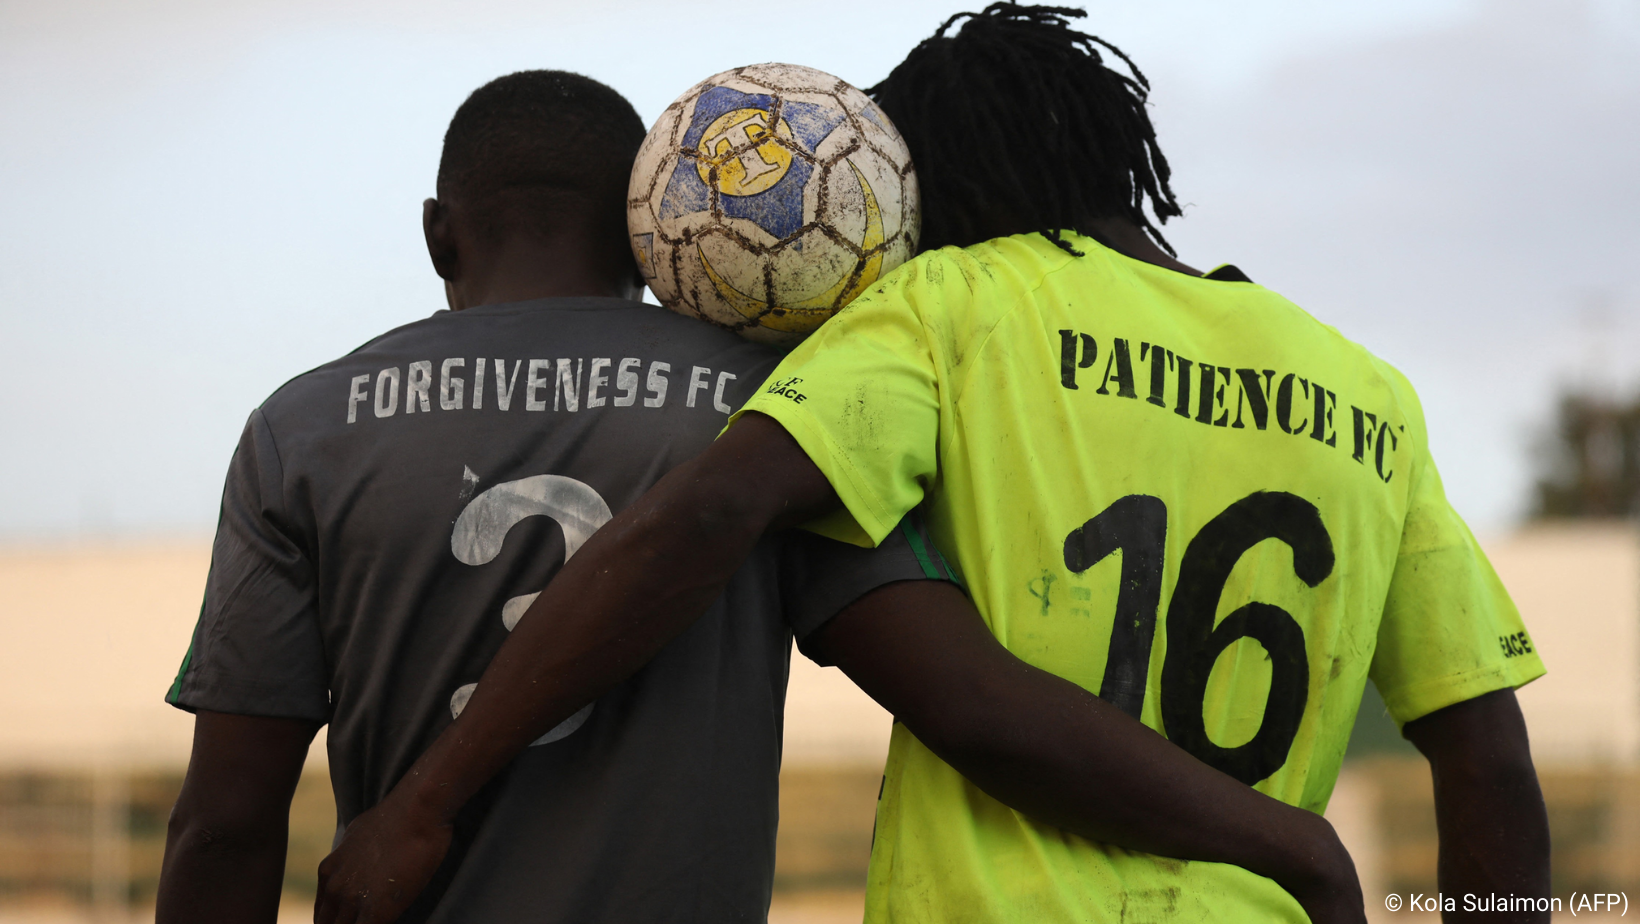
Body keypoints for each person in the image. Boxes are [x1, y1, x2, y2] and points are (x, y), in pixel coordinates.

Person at [315, 4, 1553, 923]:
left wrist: (425, 799)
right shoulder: (1362, 388)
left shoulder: (954, 306)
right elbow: (1486, 757)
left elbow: (709, 518)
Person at [155, 69, 967, 923]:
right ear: (641, 234)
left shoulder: (302, 429)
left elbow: (226, 822)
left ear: (439, 237)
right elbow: (947, 689)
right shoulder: (769, 414)